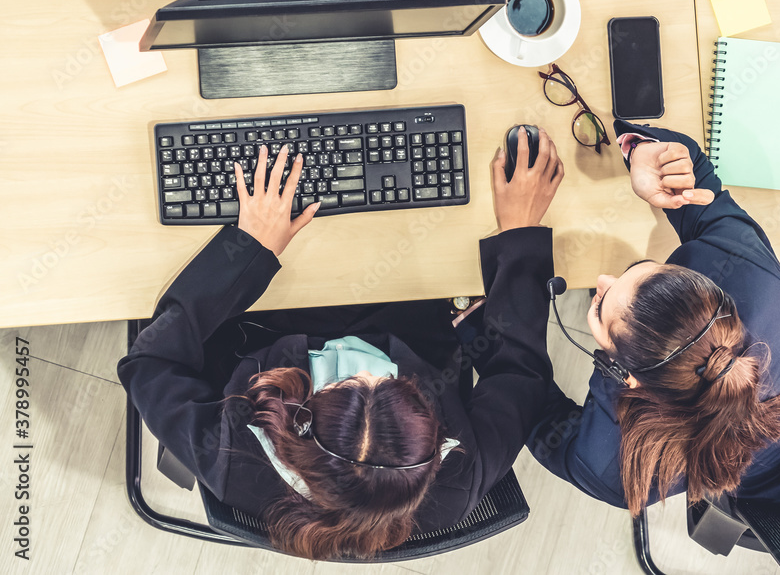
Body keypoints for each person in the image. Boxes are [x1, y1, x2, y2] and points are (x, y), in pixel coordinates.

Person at [118, 128, 564, 560]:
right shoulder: (459, 479)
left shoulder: (230, 456)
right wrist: (519, 235)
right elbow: (521, 373)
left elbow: (149, 362)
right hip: (409, 312)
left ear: (299, 429)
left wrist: (249, 249)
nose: (371, 367)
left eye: (349, 383)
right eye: (392, 386)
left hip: (264, 321)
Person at [529, 119, 780, 516]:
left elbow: (529, 408)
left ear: (625, 376)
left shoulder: (611, 468)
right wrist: (644, 150)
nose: (601, 278)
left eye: (600, 304)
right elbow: (703, 185)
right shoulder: (743, 276)